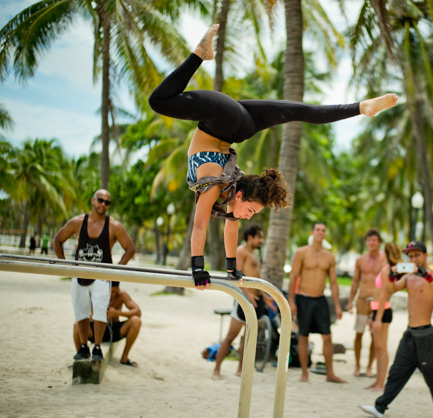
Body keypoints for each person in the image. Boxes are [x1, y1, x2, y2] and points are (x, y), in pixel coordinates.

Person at [148, 23, 398, 290]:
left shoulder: (223, 187)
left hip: (238, 123)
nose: (249, 217)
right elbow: (209, 227)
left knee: (300, 112)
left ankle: (362, 107)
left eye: (252, 212)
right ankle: (199, 54)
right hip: (223, 119)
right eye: (253, 211)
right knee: (158, 101)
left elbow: (203, 227)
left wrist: (220, 269)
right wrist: (208, 268)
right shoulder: (223, 186)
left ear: (240, 197)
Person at [359, 240, 433, 418]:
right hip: (409, 334)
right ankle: (380, 407)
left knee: (432, 375)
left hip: (425, 335)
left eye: (417, 255)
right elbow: (391, 289)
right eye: (410, 256)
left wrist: (425, 274)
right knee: (397, 372)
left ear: (425, 256)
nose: (413, 259)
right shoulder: (409, 277)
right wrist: (392, 275)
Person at [54, 189, 135, 362]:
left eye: (107, 202)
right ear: (93, 200)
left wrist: (117, 269)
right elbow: (57, 240)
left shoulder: (113, 225)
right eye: (100, 200)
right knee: (81, 311)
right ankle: (84, 347)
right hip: (79, 273)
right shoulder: (78, 222)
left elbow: (130, 248)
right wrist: (65, 266)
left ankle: (97, 347)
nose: (103, 205)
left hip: (101, 275)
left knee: (99, 311)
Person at [212, 224, 275, 379]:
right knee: (231, 336)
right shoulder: (241, 251)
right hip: (243, 300)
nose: (262, 240)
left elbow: (254, 279)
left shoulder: (254, 255)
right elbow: (235, 276)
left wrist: (264, 297)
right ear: (250, 237)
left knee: (248, 337)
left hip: (256, 300)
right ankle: (216, 370)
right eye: (259, 237)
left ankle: (241, 370)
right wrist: (247, 294)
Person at [288, 222, 345, 383]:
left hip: (320, 299)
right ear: (312, 233)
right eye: (318, 230)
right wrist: (291, 301)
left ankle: (330, 373)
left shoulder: (329, 256)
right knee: (303, 336)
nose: (320, 232)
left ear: (325, 234)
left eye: (323, 230)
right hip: (303, 298)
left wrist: (338, 306)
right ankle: (304, 372)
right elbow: (293, 277)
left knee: (327, 336)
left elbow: (333, 283)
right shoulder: (302, 253)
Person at [73, 282, 142, 366]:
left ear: (118, 289)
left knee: (136, 321)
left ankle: (125, 357)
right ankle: (80, 356)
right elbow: (83, 312)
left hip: (113, 330)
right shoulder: (95, 292)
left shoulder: (122, 294)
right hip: (95, 330)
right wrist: (95, 315)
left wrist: (117, 313)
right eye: (109, 292)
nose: (111, 295)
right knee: (77, 324)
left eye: (114, 292)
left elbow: (138, 312)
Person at [347, 229, 384, 377]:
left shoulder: (384, 260)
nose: (371, 242)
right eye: (369, 240)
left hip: (376, 301)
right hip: (362, 300)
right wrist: (350, 301)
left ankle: (369, 367)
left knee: (375, 335)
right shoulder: (360, 260)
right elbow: (355, 281)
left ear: (379, 242)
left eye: (374, 240)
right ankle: (357, 365)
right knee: (359, 333)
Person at [366, 242, 403, 392]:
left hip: (383, 312)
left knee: (382, 349)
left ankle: (382, 383)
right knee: (377, 348)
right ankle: (377, 381)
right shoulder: (386, 270)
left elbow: (384, 295)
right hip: (377, 311)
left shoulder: (387, 271)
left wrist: (378, 318)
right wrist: (372, 315)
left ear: (387, 254)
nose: (380, 254)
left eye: (382, 251)